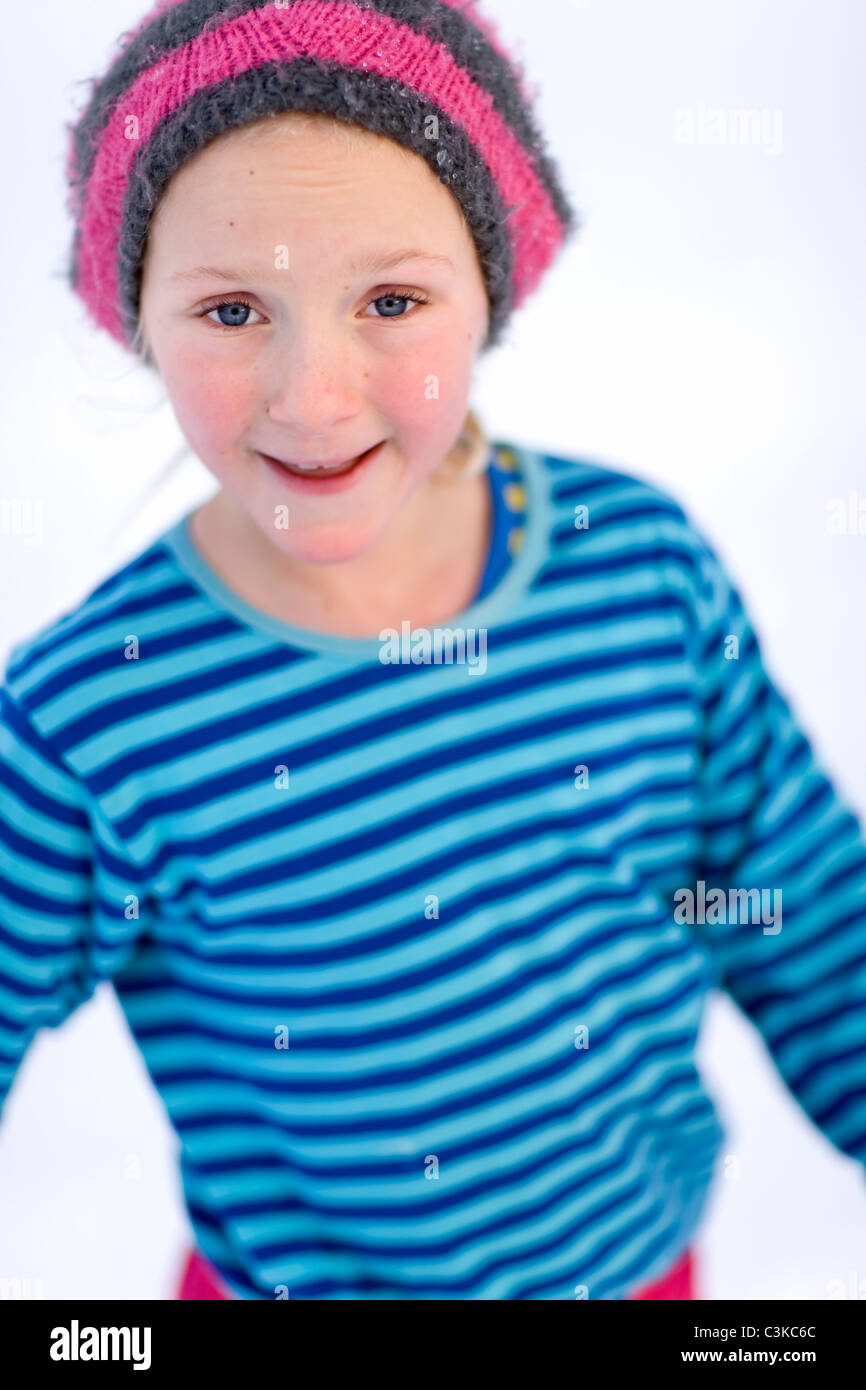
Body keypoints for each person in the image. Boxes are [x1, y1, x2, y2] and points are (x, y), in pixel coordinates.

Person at [1, 0, 864, 1301]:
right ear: (136, 319)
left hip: (637, 1276)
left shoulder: (636, 574)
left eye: (390, 298)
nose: (311, 394)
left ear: (487, 295)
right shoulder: (92, 719)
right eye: (231, 309)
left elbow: (783, 902)